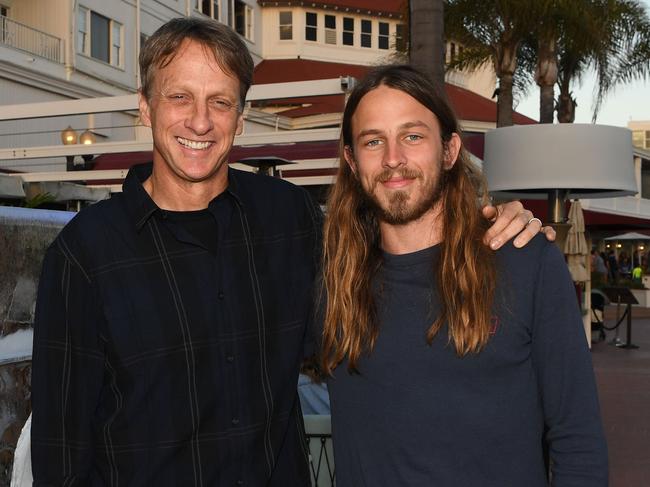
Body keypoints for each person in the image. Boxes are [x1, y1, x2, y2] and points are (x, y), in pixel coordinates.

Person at [30, 18, 551, 485]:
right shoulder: (85, 255)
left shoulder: (287, 218)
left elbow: (396, 260)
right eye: (179, 97)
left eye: (220, 101)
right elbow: (60, 452)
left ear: (241, 115)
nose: (200, 121)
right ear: (145, 106)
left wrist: (493, 226)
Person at [319, 65, 608, 486]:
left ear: (450, 151)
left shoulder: (526, 261)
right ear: (351, 159)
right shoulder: (331, 279)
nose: (393, 158)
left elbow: (577, 438)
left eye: (412, 136)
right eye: (373, 141)